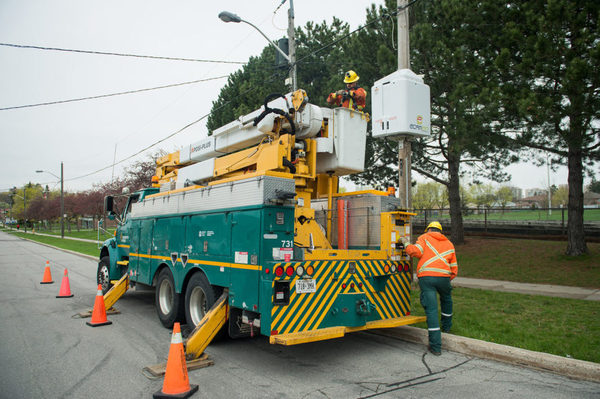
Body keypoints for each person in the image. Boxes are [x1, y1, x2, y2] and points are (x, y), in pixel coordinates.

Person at [403, 221, 458, 356]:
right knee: (447, 300)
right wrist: (446, 279)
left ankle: (436, 347)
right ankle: (446, 327)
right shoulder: (449, 244)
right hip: (444, 278)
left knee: (432, 310)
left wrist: (405, 243)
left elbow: (414, 251)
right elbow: (454, 267)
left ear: (428, 230)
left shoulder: (424, 238)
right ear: (440, 231)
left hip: (427, 279)